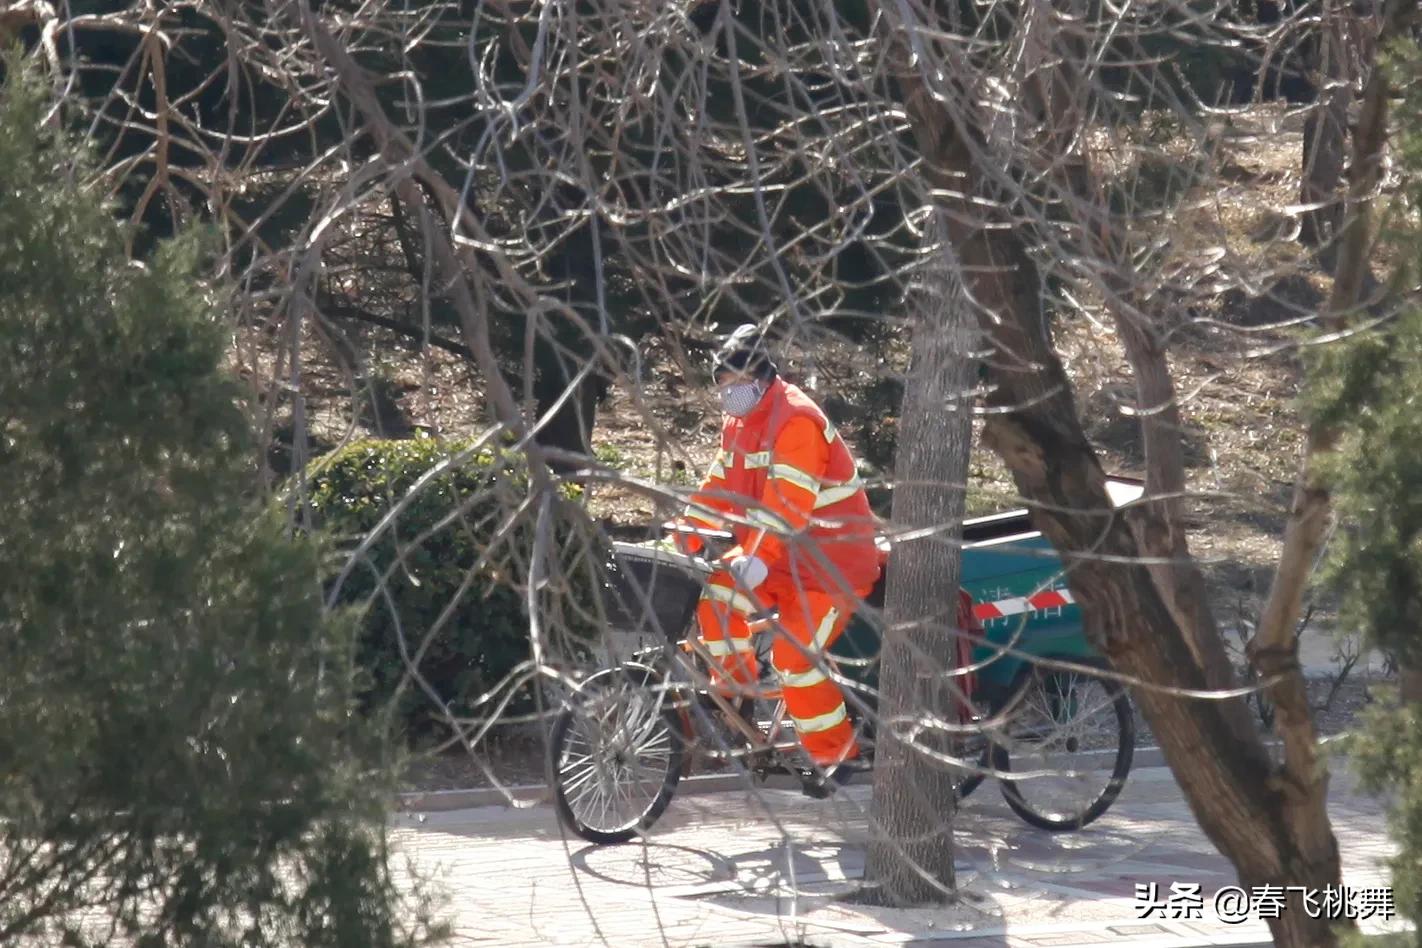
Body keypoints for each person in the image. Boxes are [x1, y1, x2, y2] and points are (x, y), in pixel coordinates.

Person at [672, 324, 883, 798]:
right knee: (714, 594)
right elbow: (719, 488)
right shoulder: (741, 422)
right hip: (776, 558)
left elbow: (788, 504)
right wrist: (685, 534)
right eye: (722, 387)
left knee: (795, 659)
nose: (730, 395)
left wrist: (758, 556)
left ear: (763, 377)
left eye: (736, 385)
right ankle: (737, 694)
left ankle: (836, 753)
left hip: (830, 565)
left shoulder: (796, 421)